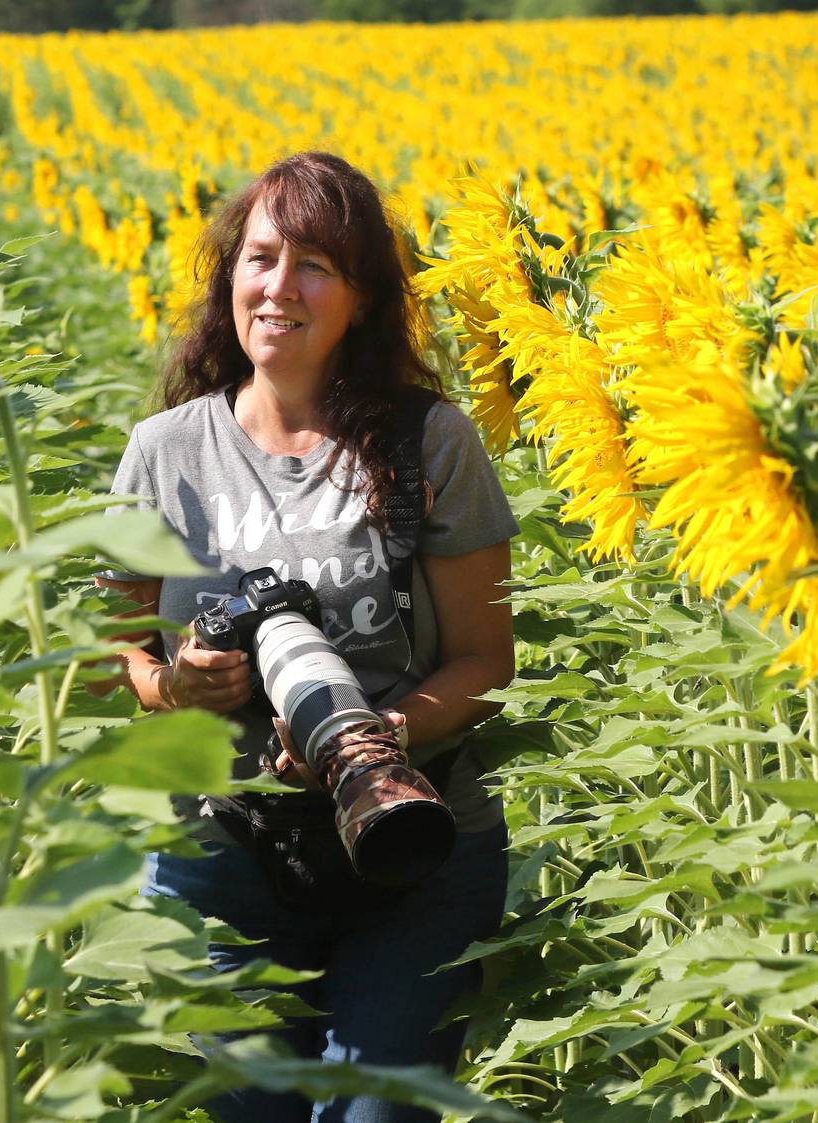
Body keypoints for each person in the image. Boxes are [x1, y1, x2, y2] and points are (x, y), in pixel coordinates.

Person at [95, 150, 519, 1123]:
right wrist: (176, 686)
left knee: (373, 1114)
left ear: (361, 297)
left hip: (413, 844)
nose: (280, 286)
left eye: (315, 264)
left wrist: (373, 738)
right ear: (229, 278)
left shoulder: (427, 443)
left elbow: (485, 664)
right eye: (261, 257)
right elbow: (113, 650)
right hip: (222, 853)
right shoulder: (165, 453)